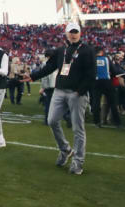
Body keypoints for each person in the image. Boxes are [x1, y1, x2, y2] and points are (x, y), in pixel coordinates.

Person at [27, 22, 96, 175]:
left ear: (80, 33)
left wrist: (80, 91)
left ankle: (78, 161)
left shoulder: (87, 51)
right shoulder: (61, 50)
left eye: (76, 32)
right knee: (51, 120)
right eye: (71, 32)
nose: (73, 34)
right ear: (66, 33)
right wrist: (32, 76)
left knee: (78, 128)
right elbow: (49, 67)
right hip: (59, 91)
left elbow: (91, 74)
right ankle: (65, 149)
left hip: (76, 93)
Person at [92, 47, 121, 127]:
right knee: (113, 103)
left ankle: (97, 122)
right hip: (107, 82)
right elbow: (114, 71)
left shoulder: (92, 60)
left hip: (96, 83)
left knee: (96, 103)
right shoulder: (107, 59)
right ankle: (117, 122)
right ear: (101, 52)